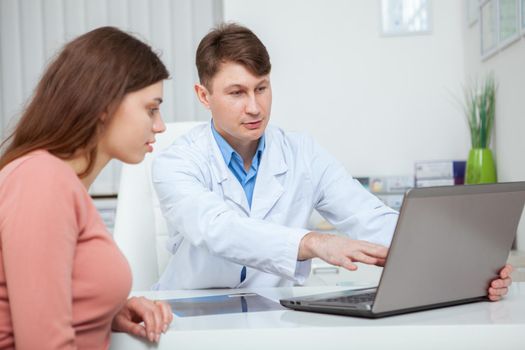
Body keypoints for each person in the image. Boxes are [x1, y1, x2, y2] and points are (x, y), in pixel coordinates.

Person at [151, 23, 512, 300]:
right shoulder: (176, 162)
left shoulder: (301, 154)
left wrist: (465, 264)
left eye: (261, 87)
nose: (255, 107)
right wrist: (313, 242)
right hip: (190, 314)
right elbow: (221, 229)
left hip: (269, 317)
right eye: (236, 92)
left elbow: (369, 218)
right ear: (204, 95)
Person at [0, 27, 174, 349]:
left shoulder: (61, 183)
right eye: (151, 108)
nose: (160, 125)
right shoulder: (41, 180)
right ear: (104, 106)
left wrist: (107, 311)